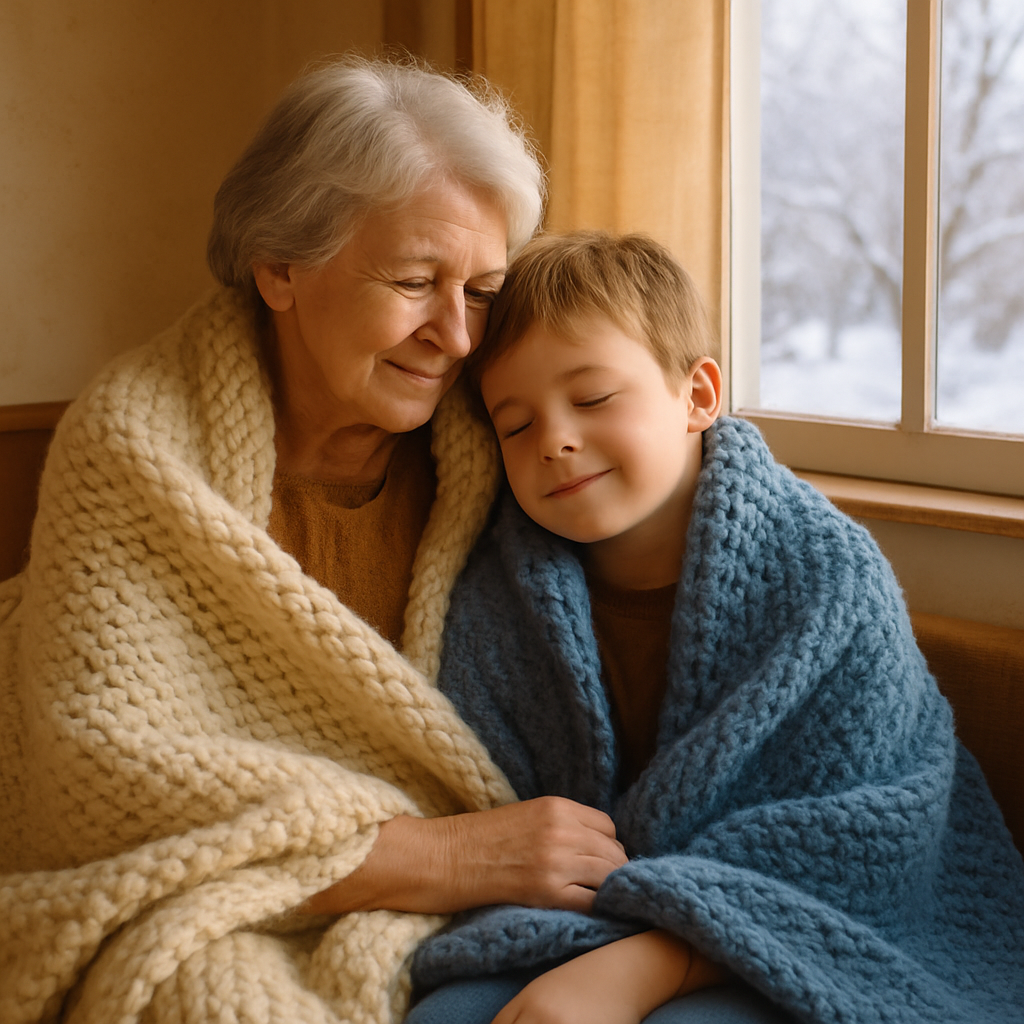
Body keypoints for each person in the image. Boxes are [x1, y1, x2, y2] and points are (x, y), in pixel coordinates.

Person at [0, 60, 630, 1024]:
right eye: (416, 282)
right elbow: (105, 775)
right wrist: (450, 854)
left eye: (482, 291)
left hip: (496, 893)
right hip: (207, 895)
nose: (457, 338)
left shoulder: (510, 431)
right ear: (279, 267)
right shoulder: (137, 444)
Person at [406, 232, 1024, 1024]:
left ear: (698, 397)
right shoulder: (498, 599)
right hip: (577, 917)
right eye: (515, 425)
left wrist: (652, 962)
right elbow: (475, 789)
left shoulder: (824, 580)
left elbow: (863, 832)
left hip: (794, 923)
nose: (555, 440)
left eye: (592, 399)